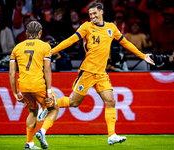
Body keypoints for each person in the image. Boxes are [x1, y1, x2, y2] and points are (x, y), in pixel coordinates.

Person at [38, 2, 155, 145]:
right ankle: (48, 104)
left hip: (101, 73)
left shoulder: (111, 28)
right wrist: (52, 51)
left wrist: (143, 56)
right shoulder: (87, 27)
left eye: (94, 13)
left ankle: (111, 135)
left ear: (101, 12)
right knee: (74, 102)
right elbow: (70, 40)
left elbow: (126, 43)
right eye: (90, 14)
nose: (92, 16)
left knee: (111, 101)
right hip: (87, 71)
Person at [9, 21, 59, 149]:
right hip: (38, 84)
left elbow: (11, 72)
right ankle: (42, 131)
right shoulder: (45, 47)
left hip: (24, 86)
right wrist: (48, 90)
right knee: (54, 109)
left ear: (26, 33)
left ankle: (29, 143)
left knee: (32, 111)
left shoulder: (17, 48)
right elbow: (47, 70)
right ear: (40, 33)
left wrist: (15, 92)